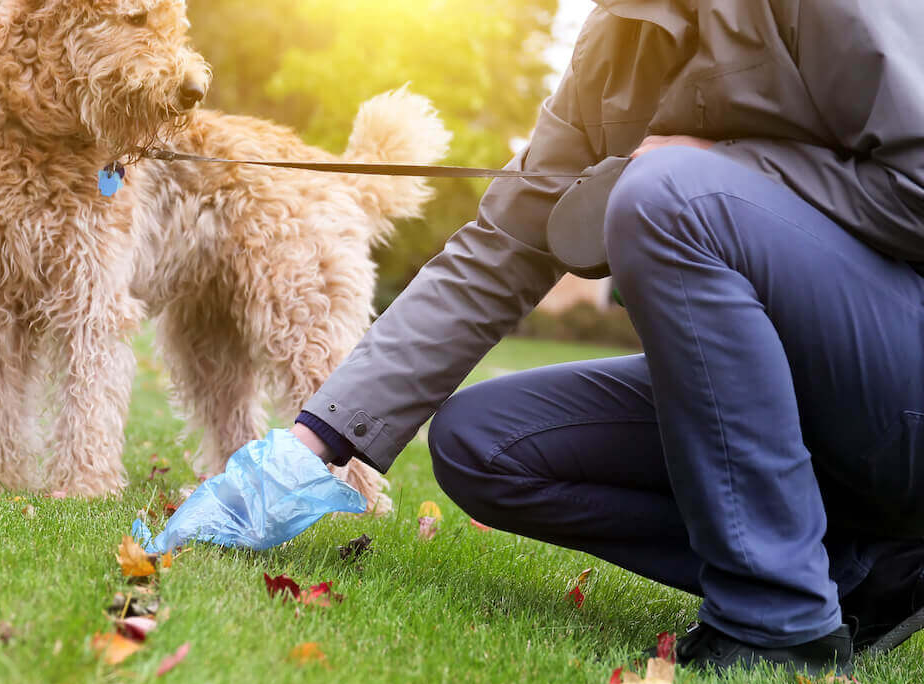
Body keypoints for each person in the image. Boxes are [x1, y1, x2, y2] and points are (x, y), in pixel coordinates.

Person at [285, 0, 924, 676]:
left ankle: (779, 623)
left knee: (668, 194)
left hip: (899, 385)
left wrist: (730, 165)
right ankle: (862, 572)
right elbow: (504, 246)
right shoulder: (614, 39)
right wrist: (310, 444)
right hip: (804, 404)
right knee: (481, 443)